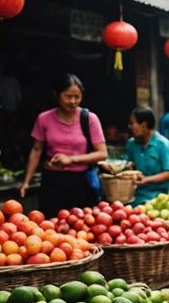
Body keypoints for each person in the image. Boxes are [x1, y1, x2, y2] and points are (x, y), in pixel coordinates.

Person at [20, 74, 107, 215]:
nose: (73, 101)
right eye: (68, 96)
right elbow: (36, 150)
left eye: (77, 97)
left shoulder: (90, 119)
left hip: (81, 183)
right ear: (56, 95)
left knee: (81, 228)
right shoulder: (44, 119)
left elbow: (102, 153)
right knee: (51, 227)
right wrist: (26, 182)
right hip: (52, 182)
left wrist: (71, 159)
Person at [125, 106, 169, 206]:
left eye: (132, 123)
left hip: (162, 195)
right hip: (139, 194)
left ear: (144, 126)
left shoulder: (163, 145)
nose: (129, 126)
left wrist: (146, 180)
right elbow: (129, 165)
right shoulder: (131, 144)